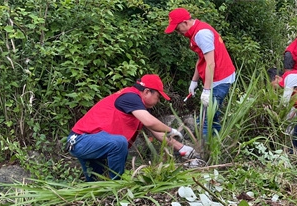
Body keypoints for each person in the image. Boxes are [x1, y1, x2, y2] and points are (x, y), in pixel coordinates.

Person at [67, 74, 197, 182]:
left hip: (94, 143)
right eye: (158, 97)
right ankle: (118, 186)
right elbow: (150, 122)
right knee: (119, 143)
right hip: (80, 140)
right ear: (147, 91)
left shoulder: (138, 107)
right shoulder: (130, 97)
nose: (158, 101)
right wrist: (171, 130)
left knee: (95, 184)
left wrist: (182, 148)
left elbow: (157, 133)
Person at [165, 7, 236, 136]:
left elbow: (210, 63)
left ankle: (202, 152)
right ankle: (215, 144)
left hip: (220, 79)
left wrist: (207, 90)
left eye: (177, 28)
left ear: (185, 22)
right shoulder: (197, 30)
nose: (178, 32)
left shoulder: (201, 34)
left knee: (204, 121)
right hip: (216, 78)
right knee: (212, 118)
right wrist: (194, 81)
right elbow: (202, 58)